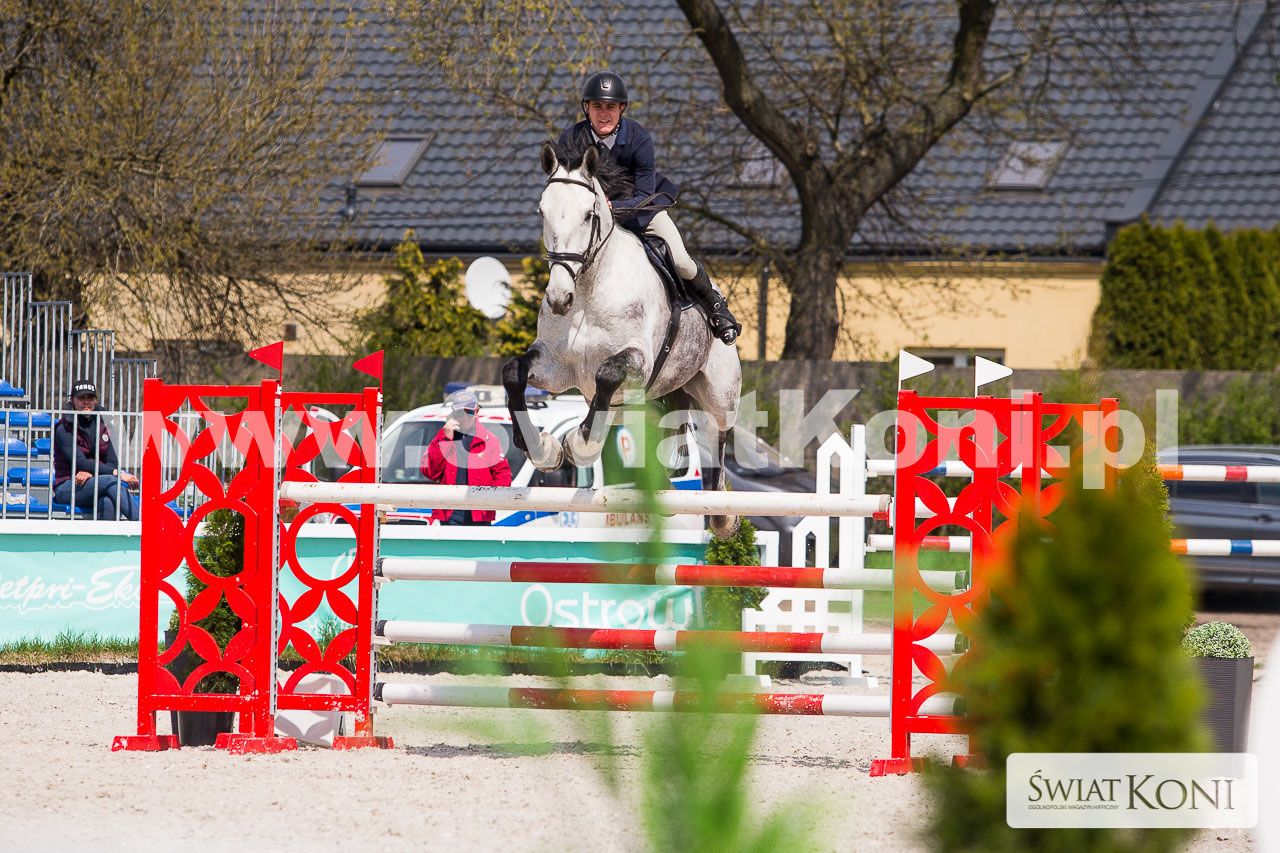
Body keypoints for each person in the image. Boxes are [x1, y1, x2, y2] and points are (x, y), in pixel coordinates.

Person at [557, 70, 742, 345]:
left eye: (610, 107)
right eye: (597, 106)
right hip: (592, 220)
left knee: (680, 259)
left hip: (640, 211)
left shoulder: (638, 138)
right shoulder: (571, 139)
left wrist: (611, 207)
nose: (604, 114)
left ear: (621, 109)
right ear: (587, 108)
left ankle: (716, 306)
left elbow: (644, 194)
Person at [52, 378, 140, 521]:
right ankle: (144, 526)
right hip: (68, 485)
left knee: (108, 502)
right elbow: (80, 462)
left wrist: (92, 474)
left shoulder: (107, 425)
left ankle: (110, 538)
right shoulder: (64, 428)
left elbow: (112, 462)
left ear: (95, 401)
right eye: (81, 398)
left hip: (98, 483)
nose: (86, 402)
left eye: (90, 398)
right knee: (111, 481)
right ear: (73, 401)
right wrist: (117, 473)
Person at [421, 390, 513, 525]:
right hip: (450, 512)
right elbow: (430, 472)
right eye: (460, 413)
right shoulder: (444, 437)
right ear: (454, 413)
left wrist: (488, 499)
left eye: (469, 412)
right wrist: (444, 439)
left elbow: (503, 475)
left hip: (480, 513)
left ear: (476, 412)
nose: (464, 417)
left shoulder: (489, 440)